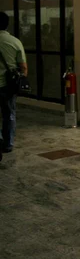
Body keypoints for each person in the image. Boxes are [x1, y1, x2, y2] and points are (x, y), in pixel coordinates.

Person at [0, 12, 27, 161]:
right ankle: (8, 143)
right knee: (9, 113)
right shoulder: (15, 42)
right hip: (8, 85)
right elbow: (23, 67)